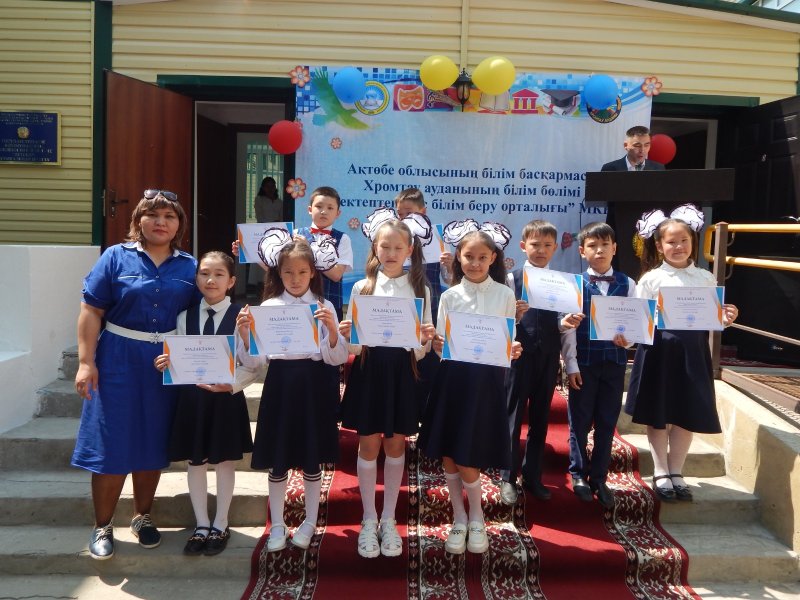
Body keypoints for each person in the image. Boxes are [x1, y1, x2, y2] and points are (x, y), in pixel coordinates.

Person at [72, 189, 199, 560]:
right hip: (117, 358)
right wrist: (86, 362)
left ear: (179, 225)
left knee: (151, 441)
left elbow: (203, 313)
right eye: (153, 215)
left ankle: (142, 517)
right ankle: (102, 525)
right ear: (138, 220)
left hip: (164, 363)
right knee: (111, 443)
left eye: (170, 216)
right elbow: (91, 311)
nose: (161, 222)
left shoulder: (189, 266)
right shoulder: (115, 257)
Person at [237, 237, 348, 552]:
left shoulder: (324, 307)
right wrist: (245, 335)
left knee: (311, 459)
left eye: (302, 272)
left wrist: (331, 330)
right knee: (278, 460)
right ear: (278, 274)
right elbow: (256, 362)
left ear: (313, 272)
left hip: (314, 386)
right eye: (288, 272)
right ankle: (278, 524)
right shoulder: (268, 308)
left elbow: (336, 358)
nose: (295, 279)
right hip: (280, 386)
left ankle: (310, 522)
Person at [419, 222, 522, 555]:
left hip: (486, 384)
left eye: (482, 257)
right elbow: (442, 346)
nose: (475, 263)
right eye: (468, 257)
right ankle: (459, 517)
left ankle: (477, 517)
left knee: (469, 452)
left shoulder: (505, 295)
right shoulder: (449, 295)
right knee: (450, 452)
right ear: (458, 258)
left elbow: (506, 341)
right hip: (453, 381)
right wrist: (437, 345)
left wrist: (512, 349)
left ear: (493, 258)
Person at [339, 212, 436, 559]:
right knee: (368, 445)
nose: (391, 253)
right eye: (385, 246)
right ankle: (368, 519)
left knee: (396, 446)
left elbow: (422, 351)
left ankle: (389, 519)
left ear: (409, 250)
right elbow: (353, 348)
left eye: (398, 247)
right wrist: (347, 334)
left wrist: (424, 338)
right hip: (369, 371)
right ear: (375, 249)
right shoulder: (361, 287)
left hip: (402, 373)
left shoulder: (420, 288)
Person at [624, 205, 738, 502]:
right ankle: (661, 470)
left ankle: (677, 471)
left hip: (692, 353)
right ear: (659, 246)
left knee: (686, 412)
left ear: (693, 242)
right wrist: (626, 338)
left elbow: (711, 320)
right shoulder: (650, 280)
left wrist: (726, 317)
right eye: (671, 242)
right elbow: (638, 320)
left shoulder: (704, 278)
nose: (678, 247)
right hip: (658, 352)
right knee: (658, 414)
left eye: (684, 240)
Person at [153, 251, 258, 556]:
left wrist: (233, 382)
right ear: (196, 278)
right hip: (193, 400)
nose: (211, 280)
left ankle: (221, 523)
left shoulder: (241, 316)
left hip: (226, 398)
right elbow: (177, 356)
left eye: (219, 274)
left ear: (231, 281)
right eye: (204, 273)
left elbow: (253, 364)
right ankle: (201, 524)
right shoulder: (184, 318)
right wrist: (166, 363)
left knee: (225, 461)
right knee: (195, 460)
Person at [498, 220, 577, 505]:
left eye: (547, 245)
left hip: (548, 357)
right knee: (513, 415)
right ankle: (508, 476)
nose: (541, 250)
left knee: (541, 417)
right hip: (519, 356)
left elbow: (563, 324)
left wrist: (565, 326)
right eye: (535, 245)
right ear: (523, 246)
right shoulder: (512, 278)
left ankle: (533, 475)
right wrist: (514, 319)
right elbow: (502, 319)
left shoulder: (564, 282)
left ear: (555, 248)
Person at [560, 222, 637, 509]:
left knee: (606, 421)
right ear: (582, 251)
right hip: (585, 363)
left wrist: (628, 340)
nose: (599, 250)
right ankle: (578, 473)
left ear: (614, 248)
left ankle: (599, 477)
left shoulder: (628, 284)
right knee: (579, 420)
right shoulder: (574, 284)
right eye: (592, 246)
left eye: (605, 245)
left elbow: (636, 321)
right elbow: (568, 330)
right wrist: (571, 365)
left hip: (614, 363)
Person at [295, 186, 353, 321]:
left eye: (330, 208)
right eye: (319, 206)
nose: (324, 211)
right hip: (299, 303)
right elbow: (283, 267)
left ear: (338, 213)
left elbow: (336, 275)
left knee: (332, 335)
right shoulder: (296, 234)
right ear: (310, 209)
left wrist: (310, 249)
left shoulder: (342, 239)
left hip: (330, 304)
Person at [601, 125, 666, 173]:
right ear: (626, 145)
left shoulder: (658, 168)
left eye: (646, 145)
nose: (642, 150)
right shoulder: (609, 168)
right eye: (637, 145)